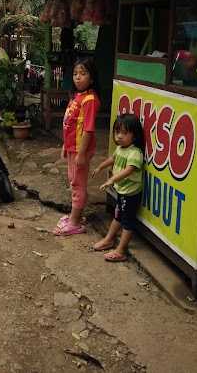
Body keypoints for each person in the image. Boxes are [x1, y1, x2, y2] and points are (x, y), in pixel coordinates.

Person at [53, 57, 101, 236]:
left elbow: (88, 129)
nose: (78, 77)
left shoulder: (89, 100)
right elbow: (71, 123)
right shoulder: (78, 97)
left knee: (77, 184)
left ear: (92, 78)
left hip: (80, 150)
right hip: (73, 148)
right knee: (75, 182)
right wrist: (66, 144)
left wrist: (81, 153)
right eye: (75, 74)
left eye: (83, 73)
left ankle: (74, 222)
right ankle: (76, 216)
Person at [90, 113, 144, 262]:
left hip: (130, 193)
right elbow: (112, 159)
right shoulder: (121, 148)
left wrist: (111, 179)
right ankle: (109, 239)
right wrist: (100, 167)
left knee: (127, 222)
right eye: (117, 132)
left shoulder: (135, 152)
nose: (119, 136)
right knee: (118, 216)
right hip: (122, 191)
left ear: (134, 135)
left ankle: (121, 250)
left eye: (124, 133)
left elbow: (129, 170)